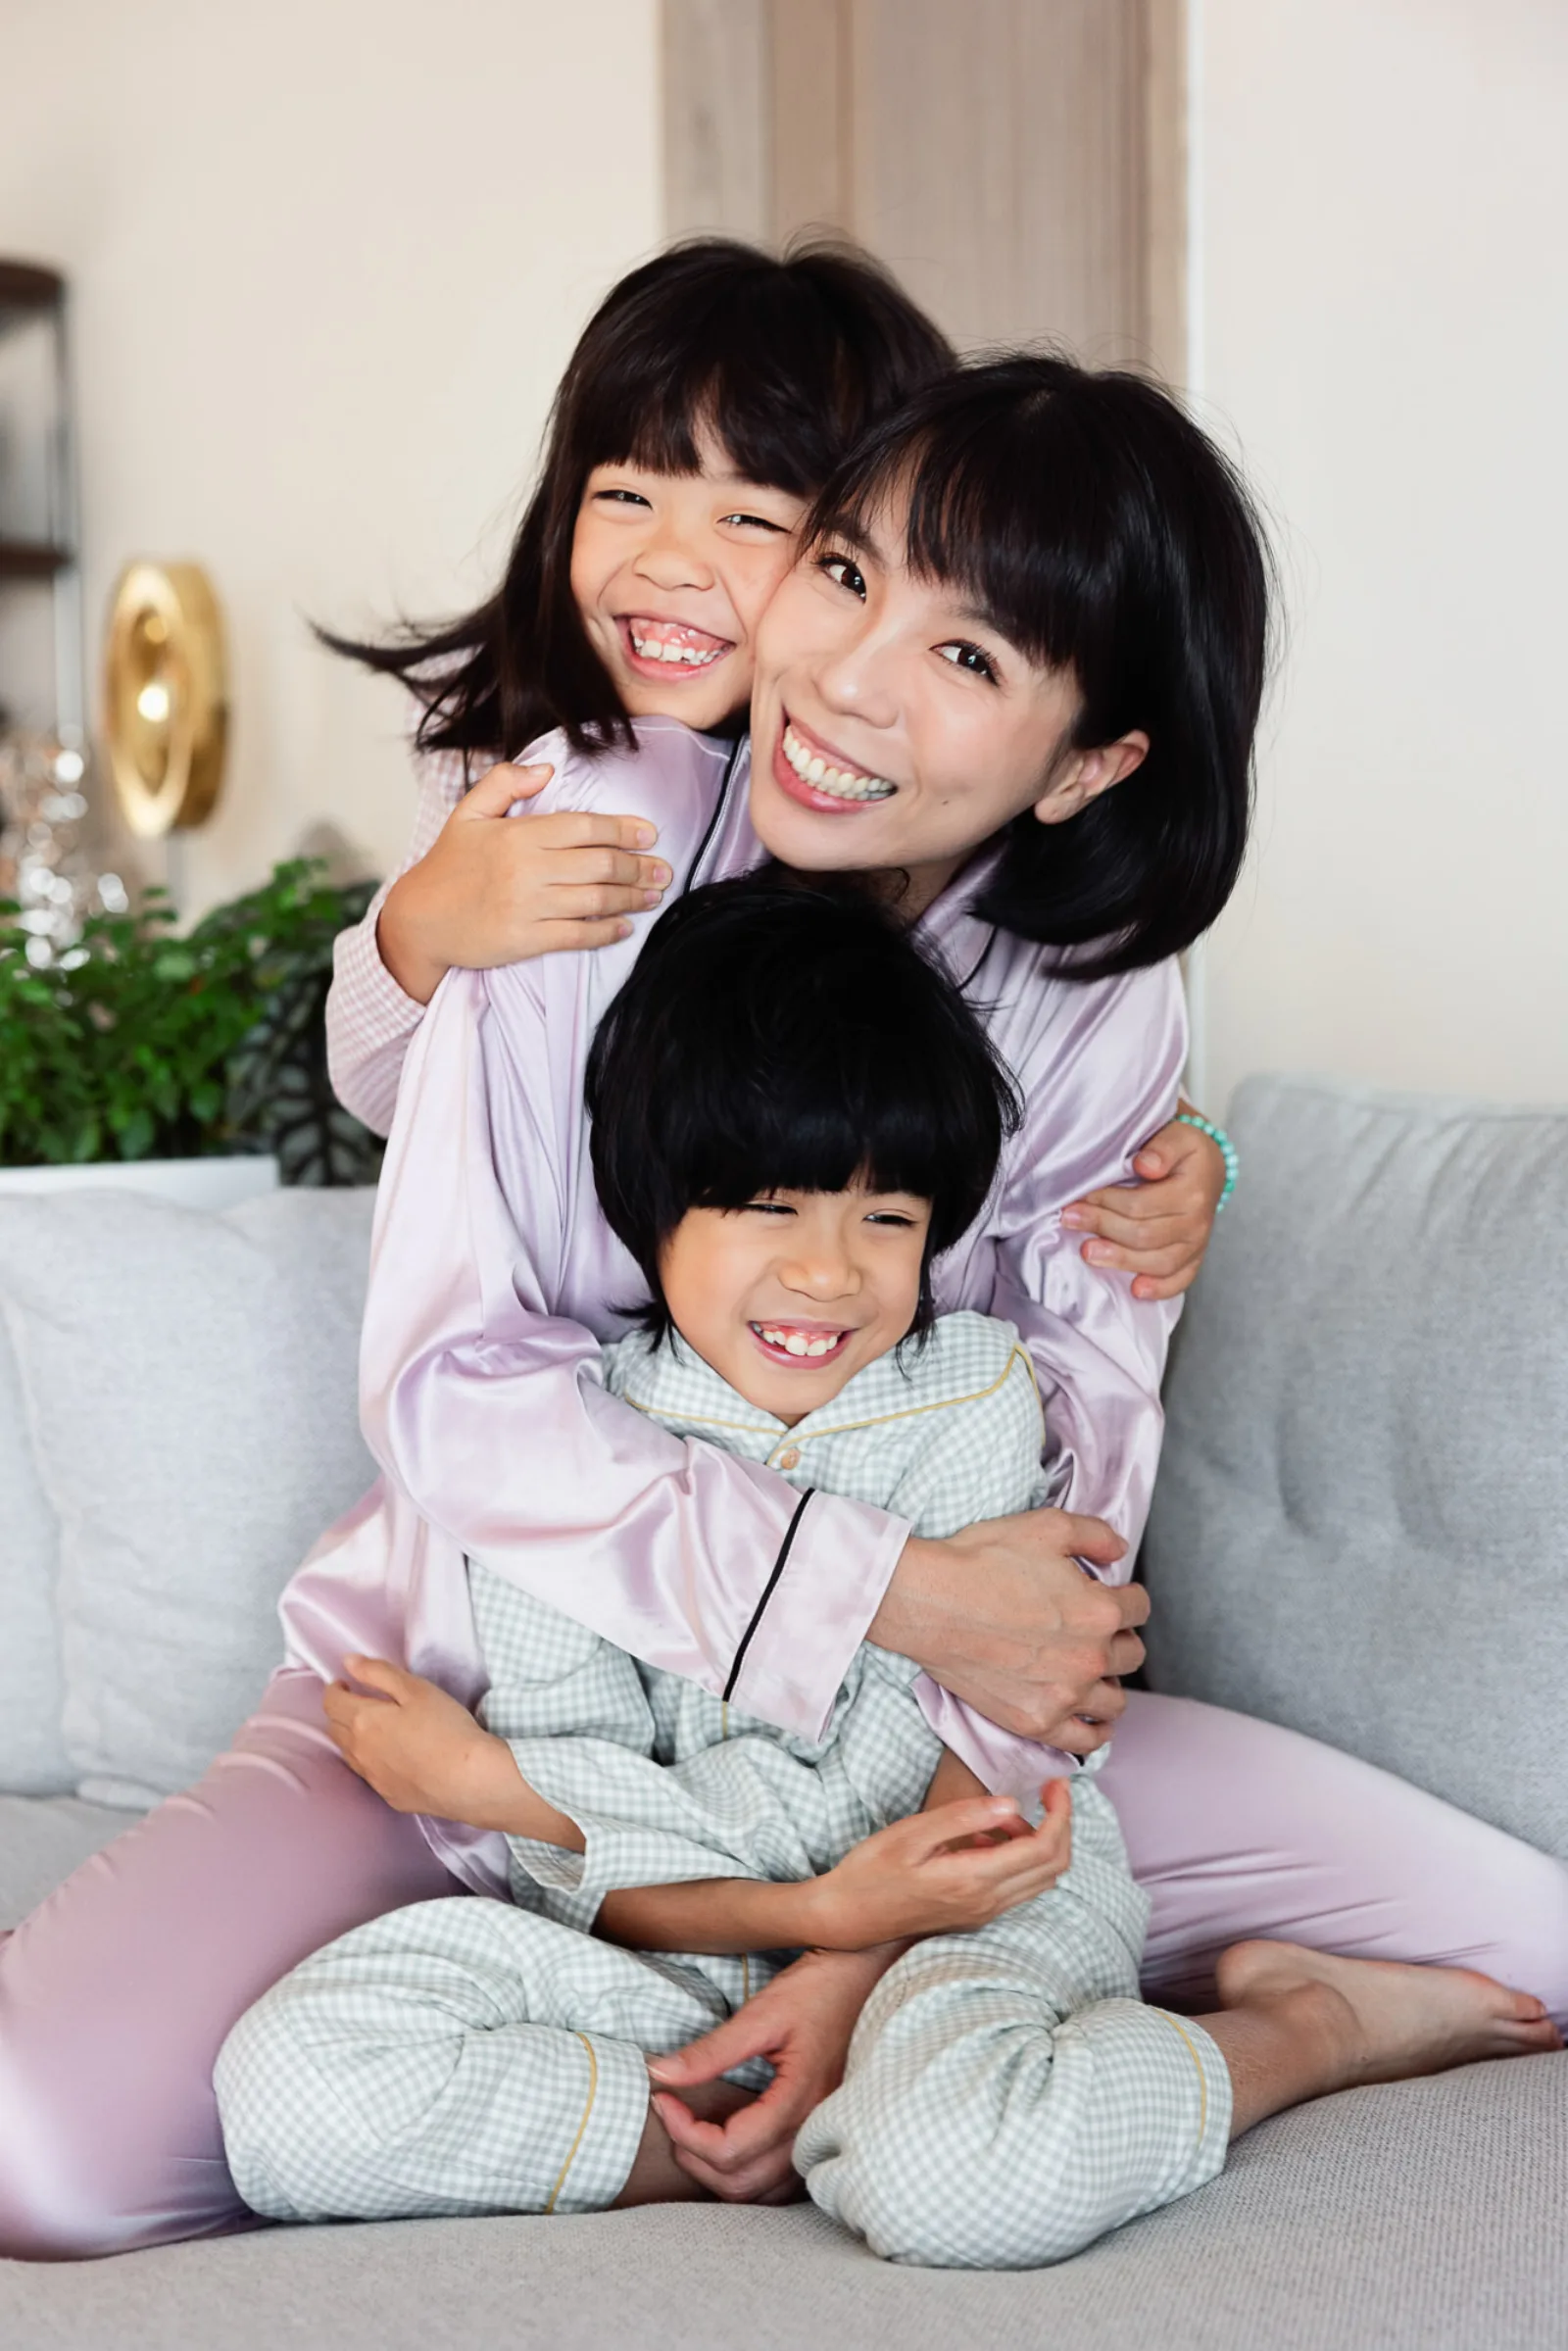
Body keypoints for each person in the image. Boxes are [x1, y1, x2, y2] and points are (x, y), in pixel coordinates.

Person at [214, 880, 1554, 2265]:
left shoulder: (975, 1405)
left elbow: (906, 1825)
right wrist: (786, 1905)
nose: (828, 1274)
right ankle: (783, 2133)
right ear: (650, 1205)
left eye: (887, 1219)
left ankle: (1303, 2026)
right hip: (677, 1955)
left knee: (961, 2178)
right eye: (765, 1206)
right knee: (291, 2090)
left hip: (962, 1925)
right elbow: (585, 1850)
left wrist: (519, 1798)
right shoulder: (571, 1441)